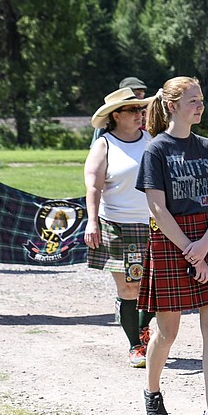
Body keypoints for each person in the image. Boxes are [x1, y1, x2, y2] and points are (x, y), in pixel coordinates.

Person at [135, 76, 208, 415]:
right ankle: (152, 391)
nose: (200, 106)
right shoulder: (156, 150)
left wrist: (206, 245)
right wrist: (190, 251)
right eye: (193, 100)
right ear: (173, 105)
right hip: (171, 240)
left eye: (201, 99)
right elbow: (157, 208)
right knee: (168, 330)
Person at [84, 87, 153, 368]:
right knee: (129, 288)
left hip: (152, 224)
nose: (140, 114)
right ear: (116, 115)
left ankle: (142, 327)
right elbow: (93, 186)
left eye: (141, 109)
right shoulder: (104, 145)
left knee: (152, 287)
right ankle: (135, 345)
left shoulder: (152, 141)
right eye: (133, 110)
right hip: (118, 224)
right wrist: (92, 221)